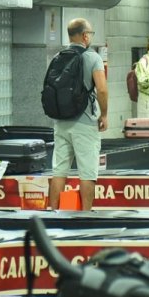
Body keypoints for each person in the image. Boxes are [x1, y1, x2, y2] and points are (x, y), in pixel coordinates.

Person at [48, 18, 107, 211]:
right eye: (90, 33)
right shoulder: (92, 57)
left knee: (59, 172)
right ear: (84, 35)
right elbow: (102, 90)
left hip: (61, 122)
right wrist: (104, 115)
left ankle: (53, 213)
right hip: (85, 123)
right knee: (88, 173)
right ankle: (86, 216)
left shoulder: (58, 57)